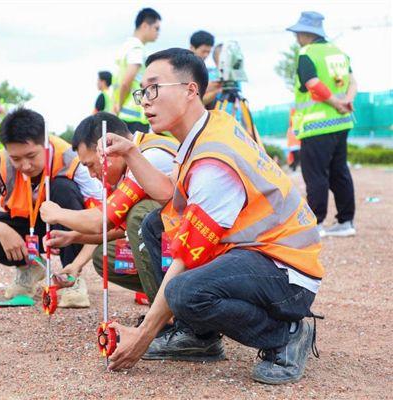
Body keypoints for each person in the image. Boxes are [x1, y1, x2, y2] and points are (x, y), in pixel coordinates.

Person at [102, 48, 324, 386]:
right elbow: (169, 195)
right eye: (142, 92)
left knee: (183, 292)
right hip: (258, 253)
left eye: (154, 88)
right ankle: (197, 335)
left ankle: (285, 334)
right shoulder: (209, 127)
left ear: (191, 90)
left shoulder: (213, 162)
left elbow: (187, 258)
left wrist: (144, 334)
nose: (145, 100)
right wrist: (132, 151)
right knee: (154, 224)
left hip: (286, 272)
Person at [0, 108, 103, 307]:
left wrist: (77, 264)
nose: (25, 166)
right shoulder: (2, 163)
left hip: (64, 227)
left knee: (62, 188)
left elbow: (103, 218)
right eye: (16, 159)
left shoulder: (72, 159)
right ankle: (29, 266)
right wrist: (2, 230)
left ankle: (71, 280)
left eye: (31, 156)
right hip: (24, 226)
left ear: (45, 144)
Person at [39, 112, 178, 304]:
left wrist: (57, 214)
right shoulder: (130, 162)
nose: (92, 174)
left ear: (108, 147)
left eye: (91, 165)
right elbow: (117, 228)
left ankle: (169, 317)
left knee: (140, 214)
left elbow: (102, 221)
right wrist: (75, 238)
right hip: (183, 241)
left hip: (204, 249)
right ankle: (170, 303)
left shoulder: (149, 156)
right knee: (107, 256)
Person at [287, 11, 357, 237]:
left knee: (315, 174)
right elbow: (353, 81)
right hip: (342, 122)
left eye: (298, 33)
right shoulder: (339, 52)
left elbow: (312, 82)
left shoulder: (306, 53)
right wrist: (346, 101)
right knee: (340, 171)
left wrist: (335, 102)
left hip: (317, 125)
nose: (297, 38)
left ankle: (316, 224)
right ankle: (346, 222)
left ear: (306, 33)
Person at [113, 7, 161, 134]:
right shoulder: (137, 49)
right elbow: (126, 81)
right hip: (134, 115)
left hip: (123, 113)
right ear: (145, 25)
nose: (158, 33)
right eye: (156, 28)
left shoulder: (126, 46)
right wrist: (120, 104)